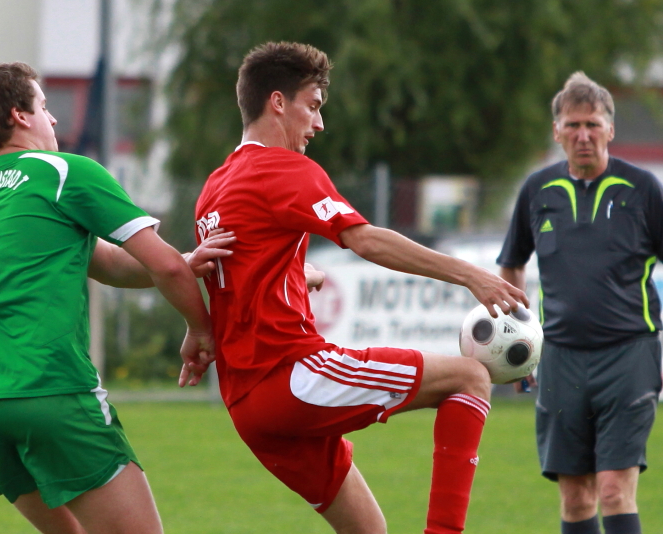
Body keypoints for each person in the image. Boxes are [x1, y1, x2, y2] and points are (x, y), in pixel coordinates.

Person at [194, 41, 529, 534]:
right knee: (470, 379)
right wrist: (470, 274)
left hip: (245, 403)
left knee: (369, 530)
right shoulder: (284, 169)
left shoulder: (215, 187)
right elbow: (365, 240)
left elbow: (237, 273)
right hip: (291, 376)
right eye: (313, 106)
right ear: (278, 102)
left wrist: (296, 275)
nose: (319, 123)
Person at [0, 62, 231, 534]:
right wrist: (201, 329)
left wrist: (183, 260)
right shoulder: (64, 173)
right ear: (19, 115)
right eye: (44, 106)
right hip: (46, 384)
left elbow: (110, 263)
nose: (53, 118)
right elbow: (161, 266)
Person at [497, 72, 663, 534]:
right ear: (557, 132)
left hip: (629, 354)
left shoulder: (643, 189)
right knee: (575, 497)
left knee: (613, 490)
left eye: (592, 124)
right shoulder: (537, 191)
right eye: (573, 125)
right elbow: (511, 266)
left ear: (610, 129)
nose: (583, 135)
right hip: (560, 358)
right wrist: (518, 344)